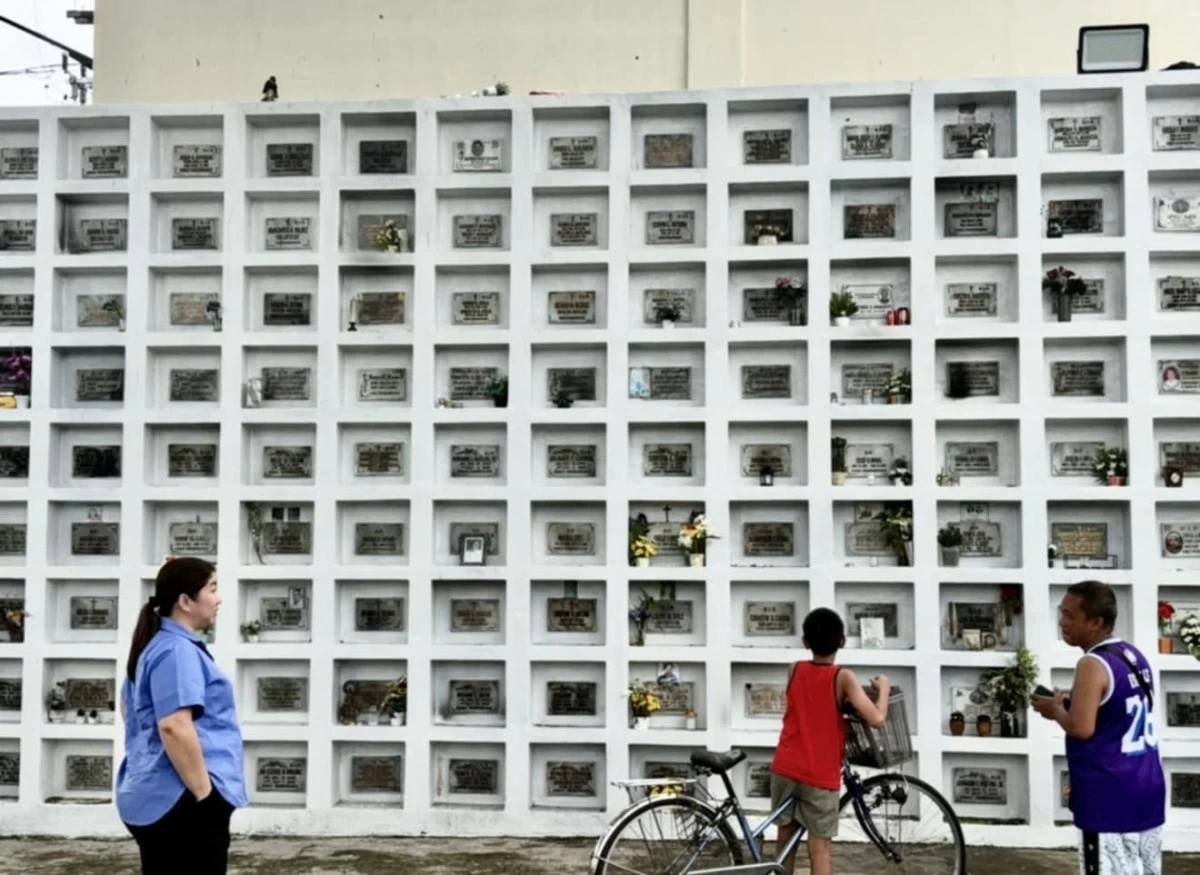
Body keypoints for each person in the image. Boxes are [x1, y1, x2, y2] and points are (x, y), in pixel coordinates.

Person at [117, 557, 246, 874]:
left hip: (158, 794)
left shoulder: (155, 644)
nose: (219, 599)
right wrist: (205, 795)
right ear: (186, 601)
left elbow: (127, 707)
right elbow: (173, 725)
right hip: (183, 800)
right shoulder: (176, 649)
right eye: (212, 589)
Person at [1032, 580, 1165, 875]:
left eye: (1069, 615)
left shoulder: (1092, 663)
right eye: (1061, 613)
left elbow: (1081, 728)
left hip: (1109, 794)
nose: (1061, 622)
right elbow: (1116, 708)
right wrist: (1070, 700)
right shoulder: (1132, 655)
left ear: (1096, 622)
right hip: (1145, 786)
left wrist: (1055, 710)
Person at [770, 608, 891, 875]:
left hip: (786, 767)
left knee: (784, 842)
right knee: (820, 850)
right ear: (842, 641)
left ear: (805, 642)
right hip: (819, 774)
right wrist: (884, 689)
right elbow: (877, 718)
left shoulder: (794, 669)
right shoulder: (843, 678)